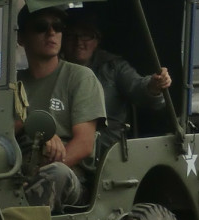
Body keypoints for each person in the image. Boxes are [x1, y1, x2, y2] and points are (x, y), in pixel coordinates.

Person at [16, 5, 106, 211]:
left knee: (55, 174)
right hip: (17, 168)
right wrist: (37, 127)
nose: (51, 33)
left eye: (57, 26)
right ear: (21, 38)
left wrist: (39, 174)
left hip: (69, 173)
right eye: (41, 27)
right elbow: (2, 131)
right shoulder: (14, 83)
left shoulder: (80, 77)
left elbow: (84, 144)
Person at [62, 9, 172, 152]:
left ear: (96, 40)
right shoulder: (54, 69)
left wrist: (154, 84)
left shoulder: (113, 67)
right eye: (71, 36)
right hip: (65, 145)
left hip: (107, 150)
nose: (78, 42)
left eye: (86, 36)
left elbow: (137, 86)